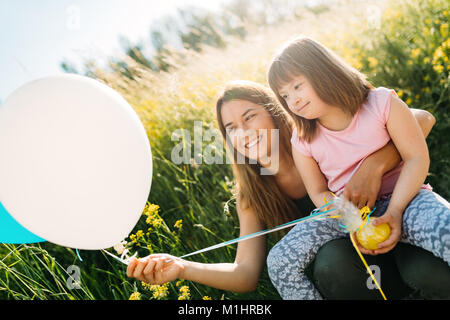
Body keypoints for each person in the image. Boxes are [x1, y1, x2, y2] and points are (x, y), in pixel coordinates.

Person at [126, 79, 439, 299]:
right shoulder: (252, 194)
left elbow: (422, 119)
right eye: (232, 128)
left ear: (276, 113)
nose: (244, 133)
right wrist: (182, 267)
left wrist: (374, 165)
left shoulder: (318, 140)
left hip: (397, 230)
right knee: (332, 260)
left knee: (428, 272)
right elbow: (245, 274)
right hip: (354, 273)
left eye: (250, 117)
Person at [266, 36, 450, 299]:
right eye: (284, 95)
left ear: (324, 72)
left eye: (297, 86)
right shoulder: (303, 139)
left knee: (447, 230)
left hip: (407, 200)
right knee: (280, 262)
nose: (292, 100)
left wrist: (396, 210)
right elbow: (318, 192)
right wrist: (349, 216)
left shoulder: (381, 103)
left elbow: (416, 158)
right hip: (347, 215)